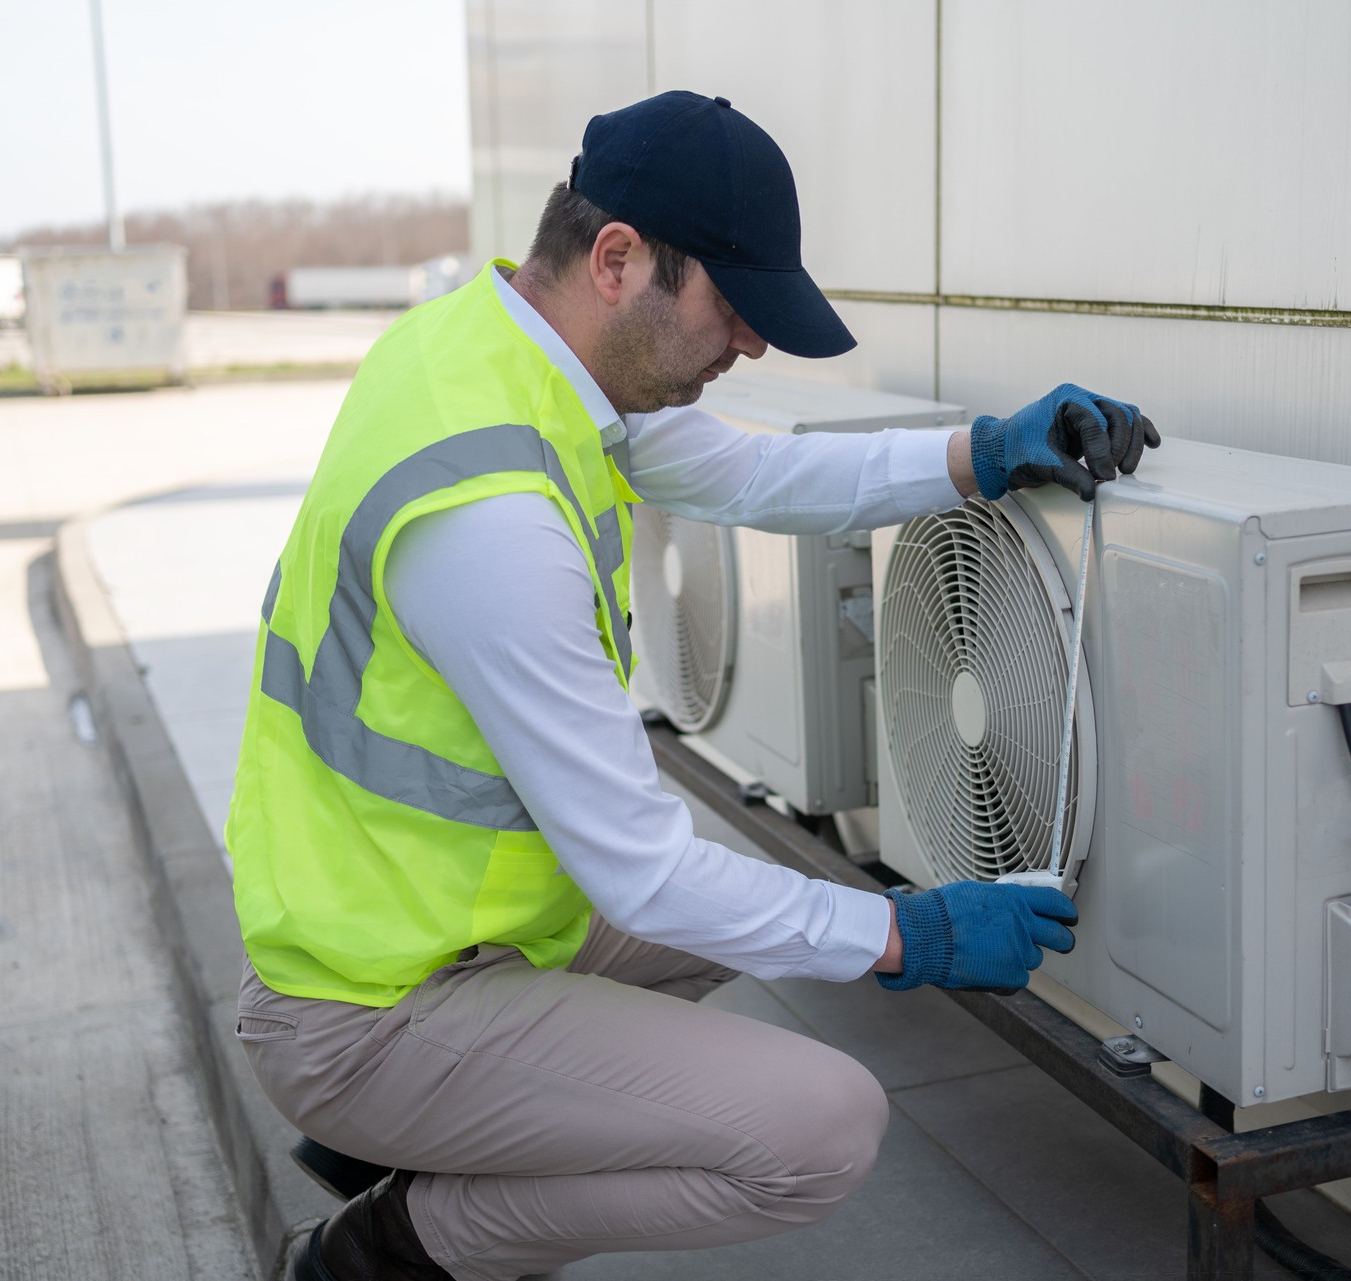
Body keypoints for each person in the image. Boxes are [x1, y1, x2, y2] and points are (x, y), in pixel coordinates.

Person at [225, 91, 1159, 1281]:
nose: (753, 346)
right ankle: (393, 1243)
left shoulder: (503, 353)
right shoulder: (491, 528)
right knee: (822, 1127)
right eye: (736, 307)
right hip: (365, 1009)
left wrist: (979, 453)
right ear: (619, 261)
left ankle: (437, 1136)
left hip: (428, 922)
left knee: (756, 913)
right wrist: (902, 932)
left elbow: (759, 478)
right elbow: (648, 875)